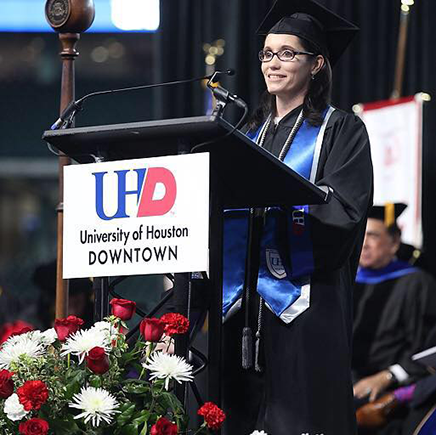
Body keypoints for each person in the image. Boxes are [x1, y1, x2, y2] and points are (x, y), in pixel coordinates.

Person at [220, 1, 373, 434]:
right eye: (267, 53)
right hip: (242, 304)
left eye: (287, 53)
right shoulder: (248, 132)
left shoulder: (341, 130)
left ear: (317, 64)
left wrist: (278, 217)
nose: (273, 63)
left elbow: (342, 211)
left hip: (305, 299)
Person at [352, 204, 436, 434]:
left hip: (390, 393)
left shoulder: (416, 284)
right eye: (361, 235)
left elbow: (424, 350)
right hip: (346, 384)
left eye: (373, 235)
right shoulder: (346, 283)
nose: (364, 243)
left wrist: (388, 376)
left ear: (394, 243)